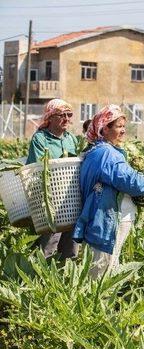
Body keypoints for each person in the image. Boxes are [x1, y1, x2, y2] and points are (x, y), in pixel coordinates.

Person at [73, 105, 144, 277]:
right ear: (104, 128)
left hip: (101, 220)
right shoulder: (107, 153)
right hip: (107, 220)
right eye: (118, 127)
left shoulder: (96, 150)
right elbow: (131, 182)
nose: (123, 131)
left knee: (107, 266)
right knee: (101, 273)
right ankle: (99, 302)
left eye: (124, 126)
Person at [26, 98, 79, 260]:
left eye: (69, 114)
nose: (67, 119)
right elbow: (37, 168)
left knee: (71, 242)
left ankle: (65, 276)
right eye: (62, 115)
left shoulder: (71, 139)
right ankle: (41, 277)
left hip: (70, 198)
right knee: (50, 240)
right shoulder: (40, 139)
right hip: (50, 199)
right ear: (50, 117)